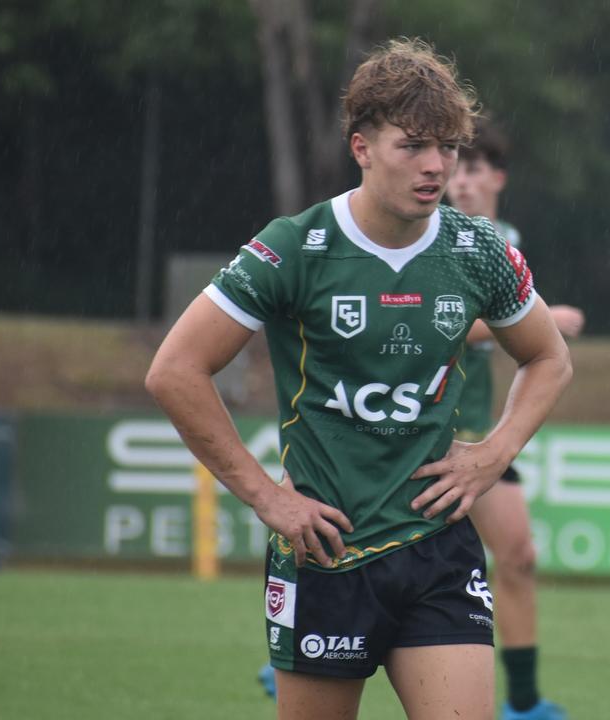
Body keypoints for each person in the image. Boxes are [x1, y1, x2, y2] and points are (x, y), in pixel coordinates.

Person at [145, 38, 572, 720]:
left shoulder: (478, 248)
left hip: (437, 549)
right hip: (326, 554)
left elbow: (550, 358)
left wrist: (494, 452)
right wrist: (266, 497)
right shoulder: (295, 247)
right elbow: (175, 370)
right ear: (361, 147)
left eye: (449, 147)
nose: (436, 166)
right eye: (413, 146)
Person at [449, 117, 584, 720]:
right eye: (455, 169)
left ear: (497, 178)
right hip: (418, 429)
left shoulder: (503, 240)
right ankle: (301, 646)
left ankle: (524, 703)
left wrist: (538, 327)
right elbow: (440, 323)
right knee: (354, 540)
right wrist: (545, 318)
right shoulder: (433, 234)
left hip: (477, 434)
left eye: (472, 169)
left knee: (519, 555)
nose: (459, 181)